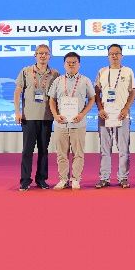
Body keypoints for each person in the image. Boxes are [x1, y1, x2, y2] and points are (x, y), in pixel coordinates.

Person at [14, 44, 60, 191]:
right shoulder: (26, 71)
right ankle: (25, 180)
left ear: (50, 56)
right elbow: (17, 92)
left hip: (47, 117)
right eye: (40, 53)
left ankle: (41, 179)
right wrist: (17, 112)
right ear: (35, 55)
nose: (43, 55)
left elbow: (57, 96)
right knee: (27, 150)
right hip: (29, 117)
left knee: (43, 150)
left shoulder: (55, 74)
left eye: (46, 53)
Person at [48, 52, 95, 190]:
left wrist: (82, 114)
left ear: (79, 64)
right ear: (64, 64)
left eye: (74, 62)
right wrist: (55, 115)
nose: (71, 64)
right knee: (61, 153)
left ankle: (75, 179)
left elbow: (92, 98)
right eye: (68, 62)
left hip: (78, 123)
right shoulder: (58, 81)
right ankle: (63, 179)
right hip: (60, 123)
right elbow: (52, 99)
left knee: (78, 153)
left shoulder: (85, 80)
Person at [94, 44, 135, 189]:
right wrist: (100, 109)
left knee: (123, 149)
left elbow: (133, 92)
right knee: (105, 149)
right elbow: (96, 92)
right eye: (111, 53)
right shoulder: (102, 71)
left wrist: (126, 108)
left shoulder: (128, 71)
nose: (114, 56)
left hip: (122, 115)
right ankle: (104, 178)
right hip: (105, 115)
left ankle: (123, 178)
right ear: (108, 56)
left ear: (122, 56)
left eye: (117, 53)